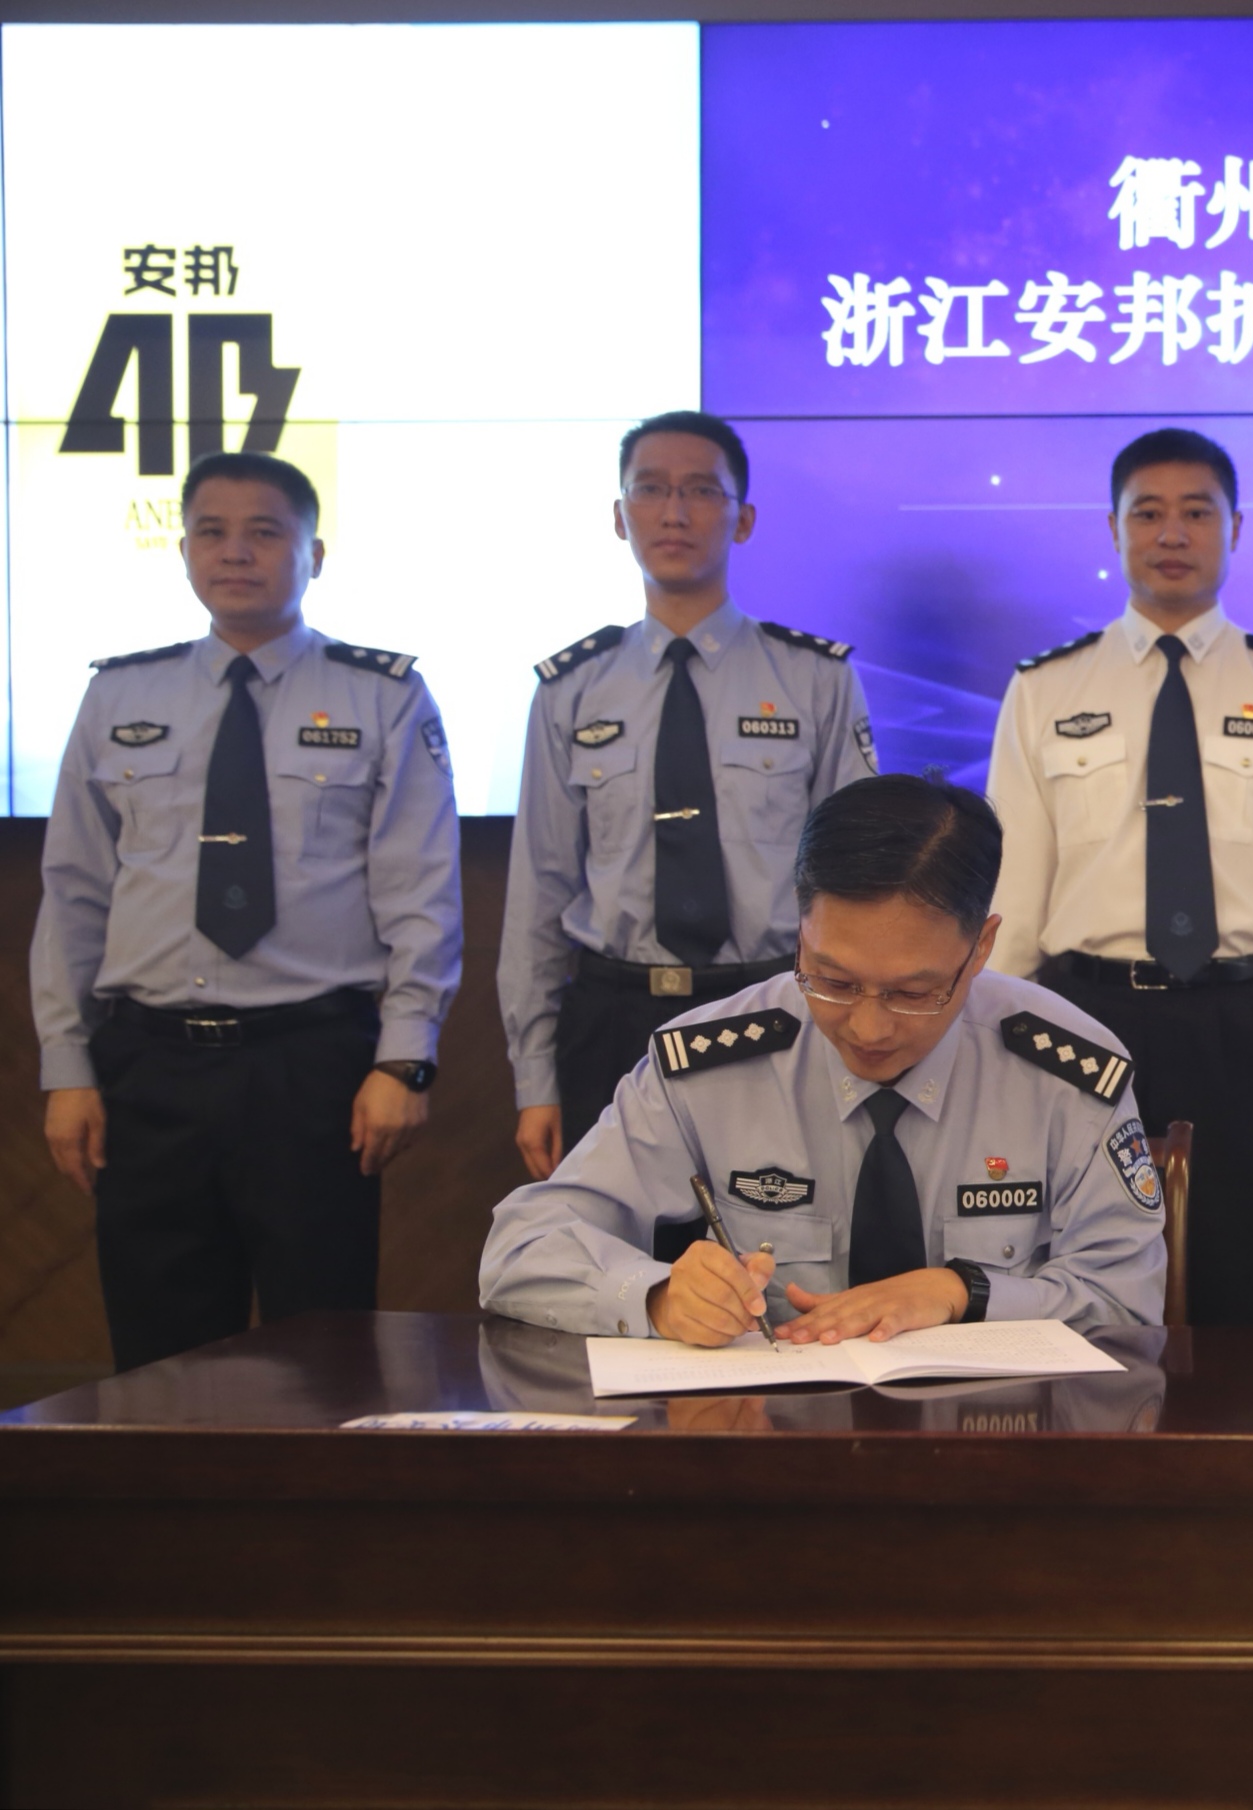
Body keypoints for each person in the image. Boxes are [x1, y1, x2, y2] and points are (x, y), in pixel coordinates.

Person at [32, 451, 463, 1371]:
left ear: (315, 554)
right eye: (212, 532)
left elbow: (420, 890)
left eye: (265, 532)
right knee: (160, 1365)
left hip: (311, 1067)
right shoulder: (118, 695)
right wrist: (66, 1067)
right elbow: (73, 894)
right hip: (149, 1067)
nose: (235, 552)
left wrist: (405, 1059)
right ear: (184, 550)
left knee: (326, 1356)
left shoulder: (382, 694)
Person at [480, 775, 1164, 1342]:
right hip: (777, 1434)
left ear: (980, 948)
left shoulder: (1066, 1072)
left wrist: (963, 1293)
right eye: (832, 980)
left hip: (996, 1440)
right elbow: (521, 1248)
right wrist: (656, 1295)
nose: (868, 1027)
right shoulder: (711, 1063)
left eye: (913, 993)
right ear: (801, 931)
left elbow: (1129, 1301)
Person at [985, 427, 1253, 1326]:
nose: (1172, 534)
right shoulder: (1046, 689)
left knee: (1245, 1292)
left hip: (1247, 1027)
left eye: (1197, 513)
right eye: (1148, 513)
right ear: (1113, 529)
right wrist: (997, 1062)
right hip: (1084, 1022)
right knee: (1079, 1291)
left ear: (1235, 529)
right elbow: (1011, 903)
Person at [499, 409, 875, 1194]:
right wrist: (534, 1076)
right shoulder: (571, 688)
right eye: (651, 489)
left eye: (702, 490)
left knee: (779, 1243)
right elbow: (540, 891)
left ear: (743, 519)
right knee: (617, 1248)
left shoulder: (814, 678)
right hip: (613, 1017)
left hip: (772, 1008)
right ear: (619, 515)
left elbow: (858, 881)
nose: (674, 512)